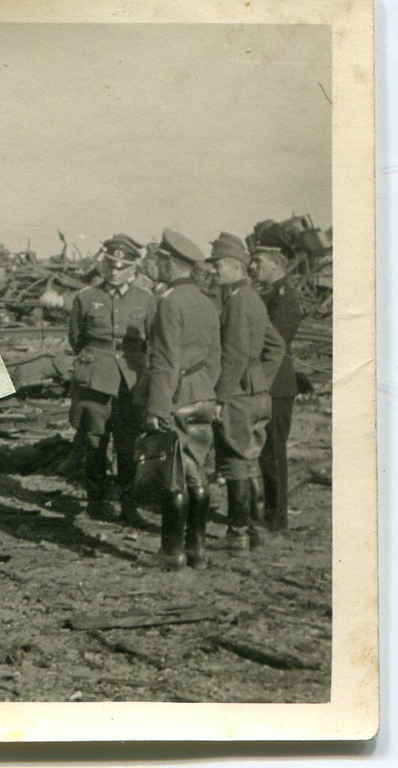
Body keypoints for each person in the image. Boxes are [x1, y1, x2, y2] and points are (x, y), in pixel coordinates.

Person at [144, 229, 221, 570]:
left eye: (159, 261)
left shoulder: (170, 301)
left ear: (168, 262)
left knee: (174, 471)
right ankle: (198, 551)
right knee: (197, 470)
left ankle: (172, 552)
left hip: (176, 395)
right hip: (203, 392)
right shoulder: (207, 301)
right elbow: (216, 357)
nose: (157, 267)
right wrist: (207, 390)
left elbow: (165, 360)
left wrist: (158, 407)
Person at [67, 234, 157, 523]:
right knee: (95, 441)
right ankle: (96, 503)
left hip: (131, 380)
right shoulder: (86, 297)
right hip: (95, 378)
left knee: (127, 444)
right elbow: (76, 339)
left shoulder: (146, 299)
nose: (114, 272)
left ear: (134, 269)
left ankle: (128, 505)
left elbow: (153, 341)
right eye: (110, 265)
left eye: (122, 267)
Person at [206, 233, 285, 551]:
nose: (213, 272)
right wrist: (260, 380)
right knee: (250, 460)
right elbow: (276, 346)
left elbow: (235, 354)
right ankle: (254, 530)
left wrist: (221, 398)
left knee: (235, 462)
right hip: (256, 393)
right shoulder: (252, 298)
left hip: (238, 395)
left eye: (218, 266)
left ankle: (237, 533)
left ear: (236, 267)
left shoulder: (238, 301)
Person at [250, 243, 303, 531]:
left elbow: (274, 342)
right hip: (268, 381)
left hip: (276, 383)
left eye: (258, 261)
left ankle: (276, 516)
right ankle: (269, 511)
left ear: (275, 264)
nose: (253, 266)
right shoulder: (269, 293)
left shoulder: (283, 297)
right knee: (265, 451)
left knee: (273, 451)